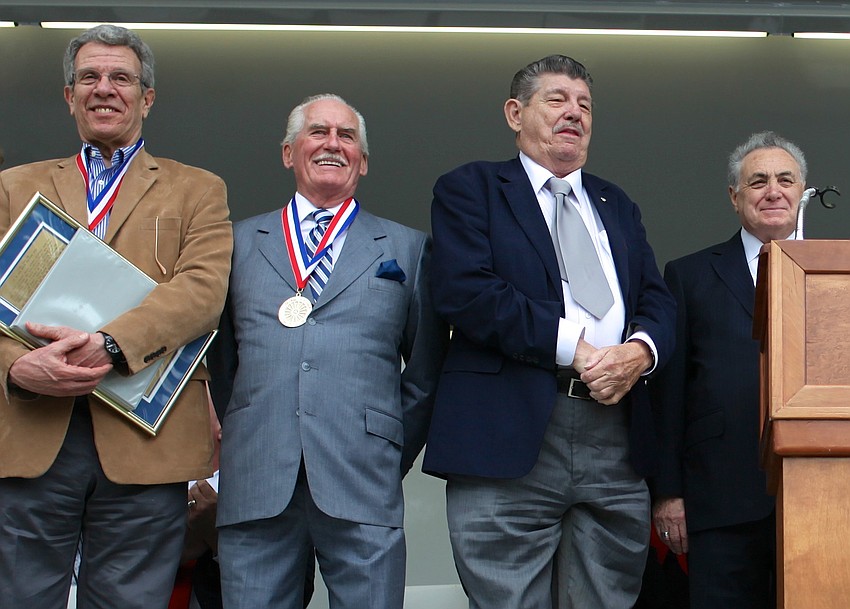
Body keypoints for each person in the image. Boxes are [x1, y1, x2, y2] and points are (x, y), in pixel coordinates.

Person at [422, 54, 676, 609]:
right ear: (515, 113)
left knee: (607, 596)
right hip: (510, 431)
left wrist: (640, 351)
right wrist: (577, 349)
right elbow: (467, 291)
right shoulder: (472, 189)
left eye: (585, 105)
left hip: (615, 428)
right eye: (557, 100)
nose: (574, 113)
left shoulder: (616, 203)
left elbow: (656, 297)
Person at [0, 24, 232, 609]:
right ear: (69, 95)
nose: (105, 89)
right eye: (89, 77)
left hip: (144, 437)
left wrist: (110, 344)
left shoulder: (198, 189)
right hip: (30, 431)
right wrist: (17, 370)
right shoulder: (12, 189)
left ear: (146, 97)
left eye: (121, 78)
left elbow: (203, 291)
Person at [207, 93, 447, 609]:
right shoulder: (236, 243)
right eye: (318, 132)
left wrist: (386, 451)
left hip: (364, 475)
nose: (332, 144)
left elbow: (425, 372)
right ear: (289, 152)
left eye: (347, 136)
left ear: (363, 159)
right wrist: (250, 427)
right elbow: (224, 361)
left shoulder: (407, 248)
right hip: (257, 475)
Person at [650, 130, 804, 609]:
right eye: (757, 182)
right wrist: (668, 494)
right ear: (735, 197)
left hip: (822, 492)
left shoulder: (840, 273)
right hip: (720, 498)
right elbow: (668, 395)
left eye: (785, 179)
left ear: (802, 191)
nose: (773, 191)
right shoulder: (688, 275)